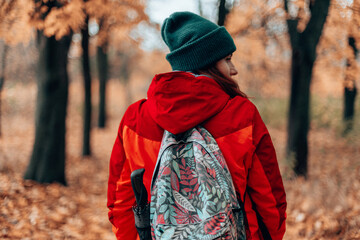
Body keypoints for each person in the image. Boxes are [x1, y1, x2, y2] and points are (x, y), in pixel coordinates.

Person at [107, 11, 287, 240]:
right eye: (228, 59)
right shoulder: (242, 115)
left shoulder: (135, 119)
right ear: (207, 62)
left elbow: (120, 201)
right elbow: (269, 199)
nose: (234, 70)